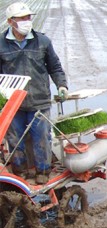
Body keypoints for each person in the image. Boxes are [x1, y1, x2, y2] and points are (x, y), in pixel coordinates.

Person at [0, 2, 68, 184]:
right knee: (14, 139)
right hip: (13, 103)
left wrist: (62, 85)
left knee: (41, 137)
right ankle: (19, 172)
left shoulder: (42, 41)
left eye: (28, 17)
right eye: (22, 18)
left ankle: (42, 171)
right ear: (10, 21)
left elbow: (55, 67)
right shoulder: (1, 44)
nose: (27, 21)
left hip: (39, 99)